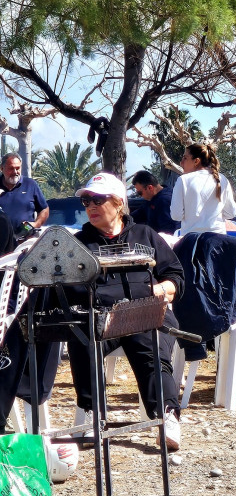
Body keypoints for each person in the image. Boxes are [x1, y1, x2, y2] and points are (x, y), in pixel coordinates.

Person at [69, 172, 185, 450]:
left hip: (144, 311)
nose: (91, 207)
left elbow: (175, 276)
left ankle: (166, 417)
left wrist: (162, 289)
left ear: (119, 203)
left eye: (98, 200)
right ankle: (91, 412)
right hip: (101, 315)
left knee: (152, 350)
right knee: (81, 338)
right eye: (86, 201)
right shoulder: (80, 243)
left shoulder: (145, 234)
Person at [170, 143, 236, 237]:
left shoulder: (183, 180)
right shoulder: (223, 179)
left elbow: (176, 215)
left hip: (192, 242)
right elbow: (231, 213)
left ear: (196, 161)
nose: (181, 162)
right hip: (219, 242)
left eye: (185, 158)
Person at [0, 153, 48, 237]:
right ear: (2, 168)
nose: (15, 172)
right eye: (11, 168)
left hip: (25, 242)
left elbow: (44, 209)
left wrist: (36, 224)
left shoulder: (30, 184)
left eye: (17, 168)